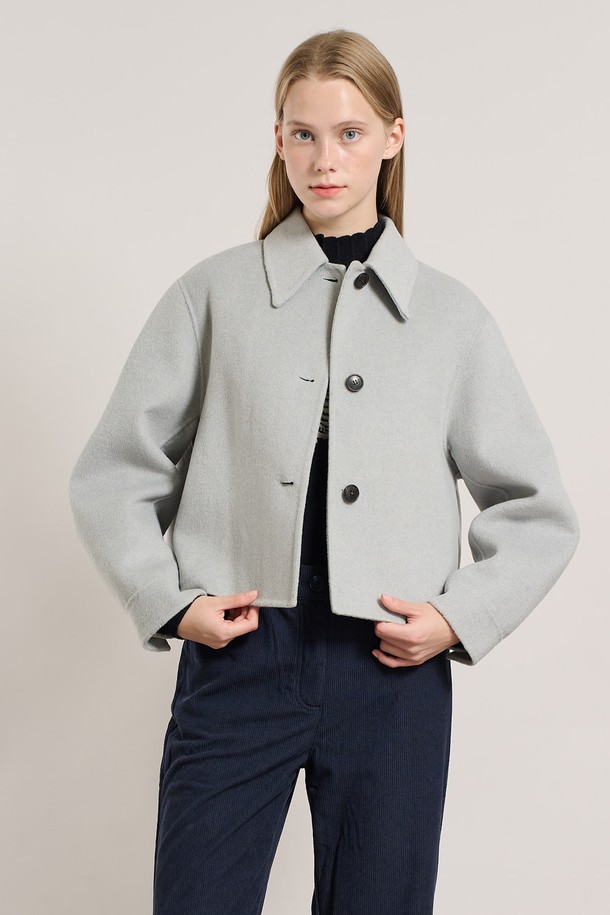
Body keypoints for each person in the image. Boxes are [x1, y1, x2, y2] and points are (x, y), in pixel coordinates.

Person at [69, 29, 580, 915]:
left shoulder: (452, 319)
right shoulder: (212, 294)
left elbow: (538, 509)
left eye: (349, 133)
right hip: (240, 656)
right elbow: (112, 473)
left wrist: (456, 618)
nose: (325, 158)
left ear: (393, 137)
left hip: (392, 670)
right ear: (278, 140)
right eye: (303, 133)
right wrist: (171, 600)